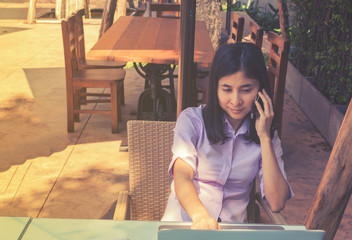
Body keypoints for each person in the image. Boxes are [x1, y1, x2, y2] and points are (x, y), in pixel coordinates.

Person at [161, 42, 294, 229]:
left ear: (260, 90)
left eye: (246, 90)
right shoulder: (192, 120)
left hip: (232, 231)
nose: (236, 100)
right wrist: (200, 217)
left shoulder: (267, 133)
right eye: (227, 89)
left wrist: (264, 137)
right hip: (186, 225)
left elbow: (277, 202)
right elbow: (182, 176)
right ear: (215, 88)